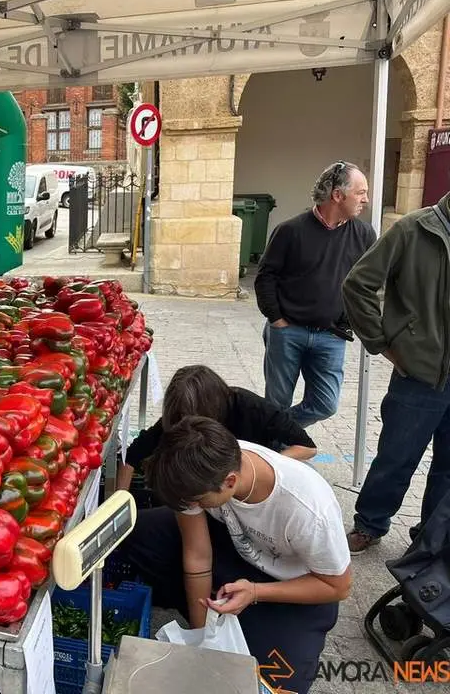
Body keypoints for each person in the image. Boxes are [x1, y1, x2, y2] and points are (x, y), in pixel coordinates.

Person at [117, 416, 352, 694]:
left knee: (279, 682)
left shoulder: (309, 511)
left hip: (299, 585)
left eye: (198, 502)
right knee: (133, 532)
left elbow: (338, 587)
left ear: (229, 481)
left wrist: (255, 592)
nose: (192, 506)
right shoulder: (193, 472)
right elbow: (197, 554)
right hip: (235, 548)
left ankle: (252, 615)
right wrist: (202, 635)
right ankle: (204, 604)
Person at [341, 190, 450, 553]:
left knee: (448, 469)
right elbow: (358, 284)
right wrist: (386, 344)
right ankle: (369, 524)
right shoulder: (413, 229)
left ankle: (431, 537)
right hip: (418, 376)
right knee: (396, 457)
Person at [254, 161, 375, 427]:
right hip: (287, 332)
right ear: (337, 195)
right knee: (276, 402)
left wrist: (353, 320)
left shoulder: (365, 234)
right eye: (361, 192)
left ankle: (280, 430)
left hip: (331, 336)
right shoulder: (290, 231)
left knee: (326, 403)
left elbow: (368, 283)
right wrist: (276, 319)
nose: (366, 199)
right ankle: (273, 451)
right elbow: (265, 276)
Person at [116, 365, 316, 491]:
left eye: (193, 420)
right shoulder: (180, 417)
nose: (187, 425)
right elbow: (134, 454)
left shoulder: (250, 408)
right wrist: (119, 503)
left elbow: (307, 447)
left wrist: (263, 464)